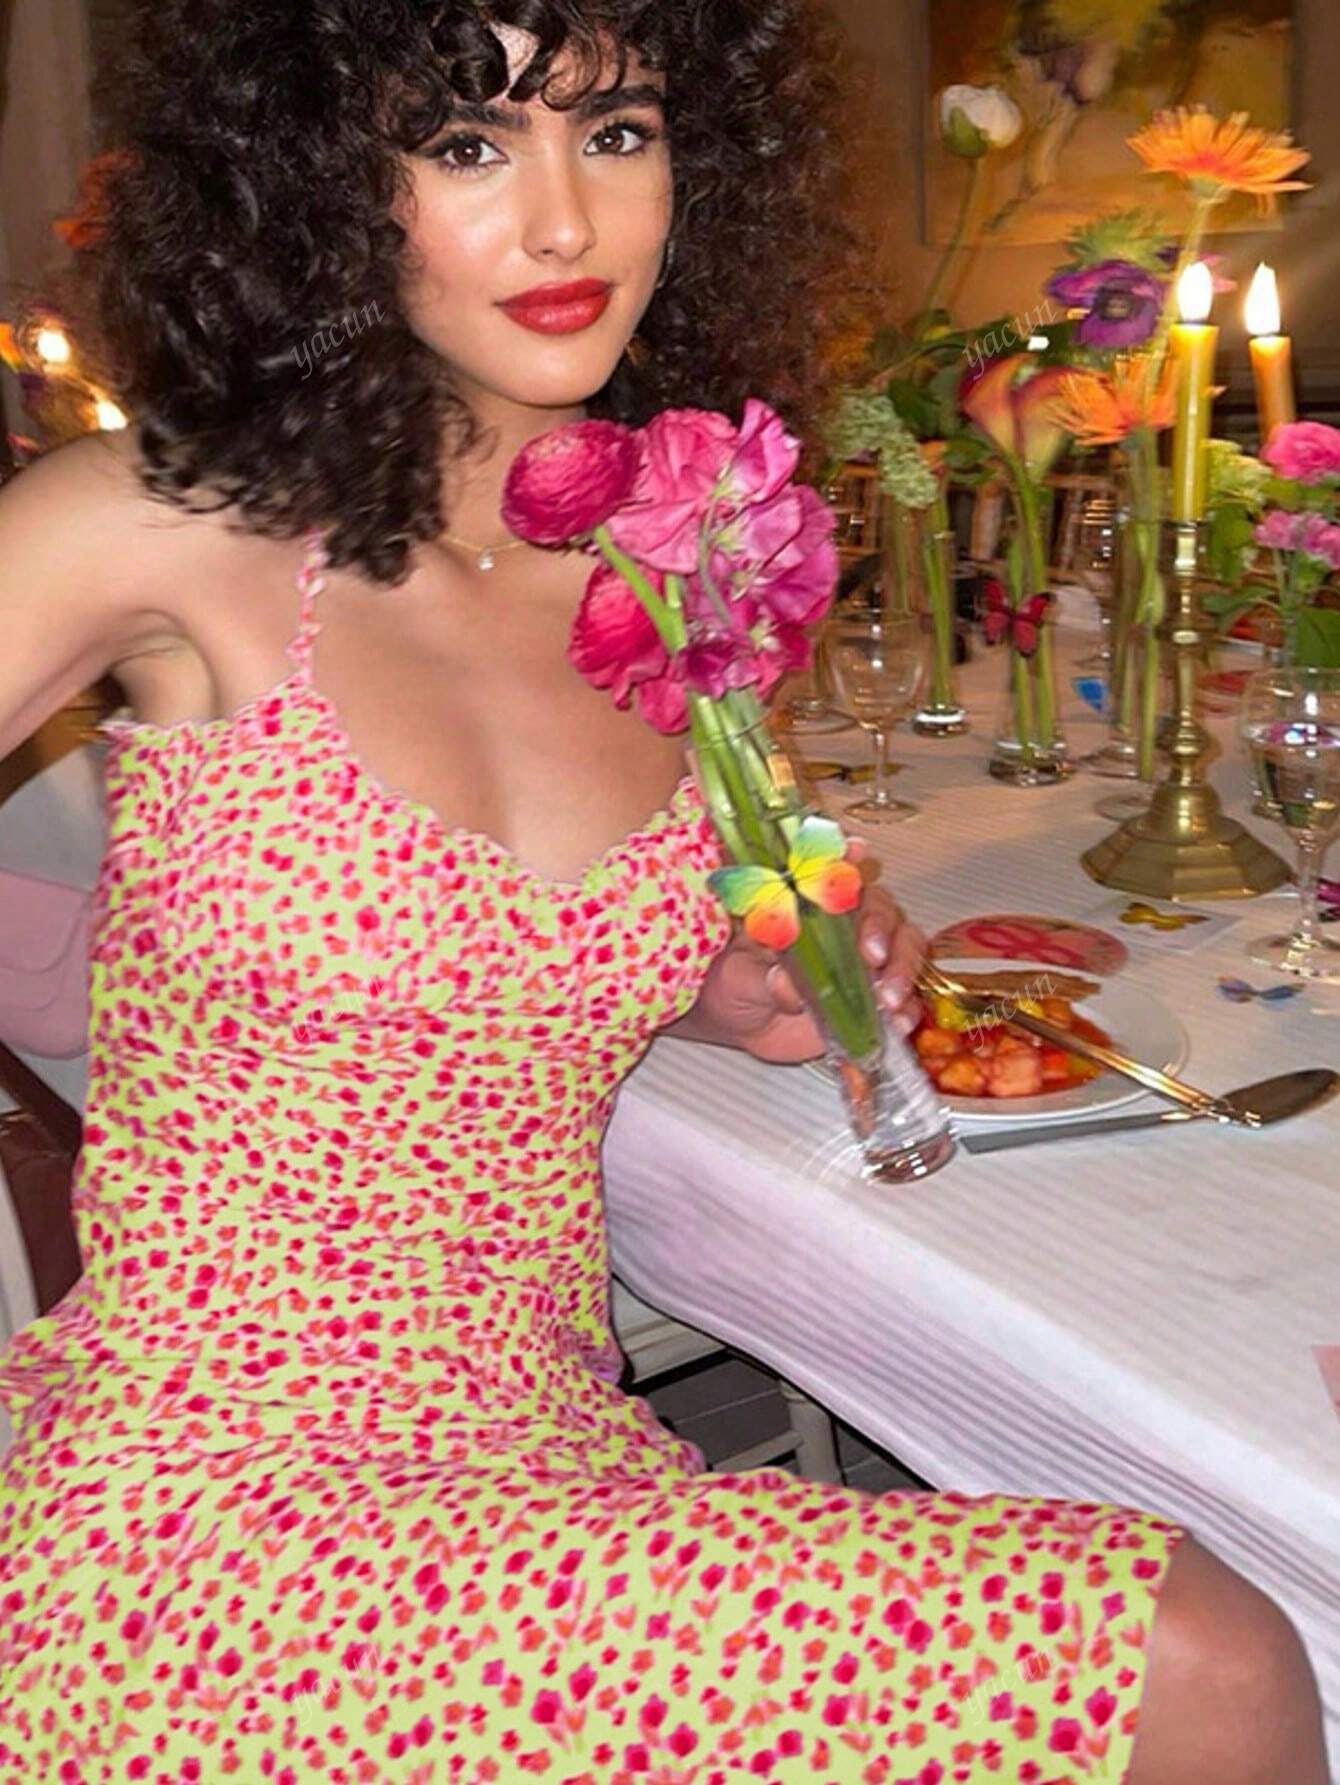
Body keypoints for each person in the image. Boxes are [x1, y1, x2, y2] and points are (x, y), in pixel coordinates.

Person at [0, 4, 1327, 1781]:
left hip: (544, 1442)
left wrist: (721, 984)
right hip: (217, 1499)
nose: (567, 220)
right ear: (314, 179)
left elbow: (499, 946)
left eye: (616, 133)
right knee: (1200, 1660)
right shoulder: (168, 520)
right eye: (467, 144)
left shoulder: (665, 556)